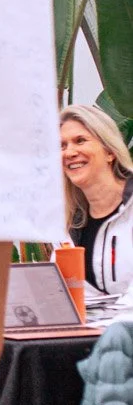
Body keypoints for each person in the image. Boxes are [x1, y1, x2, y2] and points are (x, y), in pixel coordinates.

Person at [62, 105, 133, 294]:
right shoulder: (69, 224)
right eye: (62, 145)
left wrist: (116, 324)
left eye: (80, 141)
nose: (69, 152)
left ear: (110, 152)